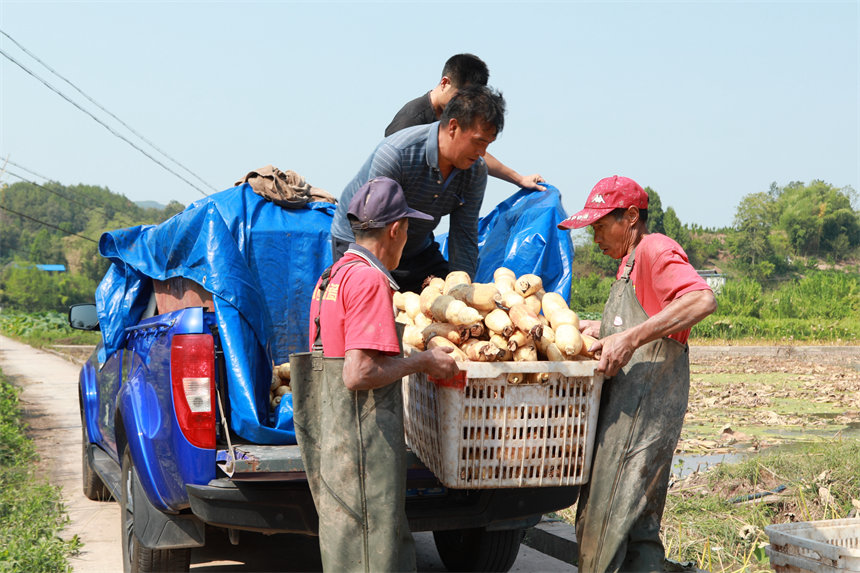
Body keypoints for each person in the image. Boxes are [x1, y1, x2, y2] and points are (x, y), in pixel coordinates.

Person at [292, 176, 460, 573]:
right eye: (407, 230)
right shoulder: (369, 280)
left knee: (352, 555)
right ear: (396, 229)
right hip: (362, 453)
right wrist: (423, 362)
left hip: (337, 451)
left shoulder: (331, 278)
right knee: (374, 557)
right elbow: (358, 372)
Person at [557, 175, 717, 572]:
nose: (594, 237)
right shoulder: (628, 263)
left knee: (605, 523)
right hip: (630, 417)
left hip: (640, 420)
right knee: (637, 528)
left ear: (630, 217)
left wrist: (628, 339)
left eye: (599, 225)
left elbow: (701, 299)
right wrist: (603, 331)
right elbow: (641, 320)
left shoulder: (655, 250)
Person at [330, 85, 506, 293]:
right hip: (363, 241)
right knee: (373, 304)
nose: (482, 152)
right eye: (478, 142)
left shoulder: (475, 172)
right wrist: (382, 289)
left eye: (488, 144)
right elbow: (375, 228)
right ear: (453, 127)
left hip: (415, 247)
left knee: (446, 300)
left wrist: (462, 294)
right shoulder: (397, 154)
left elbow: (464, 237)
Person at [385, 53, 546, 191]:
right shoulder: (410, 120)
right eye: (461, 95)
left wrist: (519, 179)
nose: (465, 103)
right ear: (444, 83)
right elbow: (389, 179)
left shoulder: (454, 118)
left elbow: (475, 153)